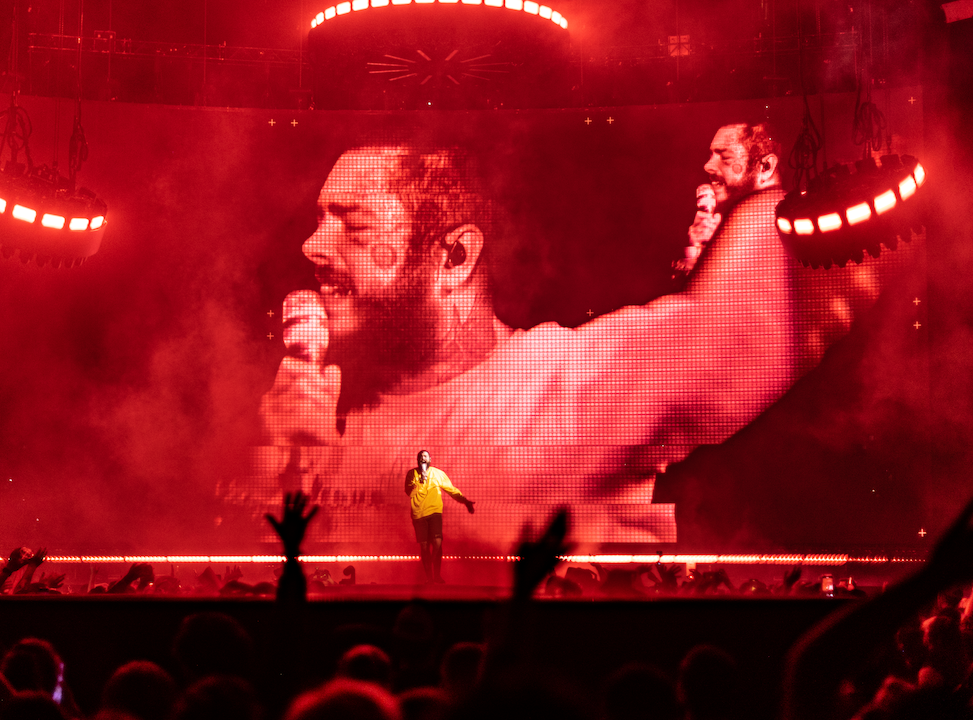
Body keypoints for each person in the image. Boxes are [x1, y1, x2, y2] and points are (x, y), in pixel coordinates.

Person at [254, 123, 852, 550]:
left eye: (351, 223)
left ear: (455, 257)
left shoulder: (568, 376)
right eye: (317, 219)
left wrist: (762, 196)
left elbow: (745, 339)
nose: (312, 246)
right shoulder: (338, 420)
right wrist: (295, 462)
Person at [405, 450, 475, 583]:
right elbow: (409, 493)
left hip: (434, 513)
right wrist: (420, 482)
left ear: (430, 459)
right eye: (420, 457)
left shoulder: (438, 474)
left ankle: (436, 573)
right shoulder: (412, 474)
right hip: (418, 515)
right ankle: (429, 577)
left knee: (437, 542)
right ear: (417, 460)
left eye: (425, 456)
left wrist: (465, 501)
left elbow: (451, 490)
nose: (422, 458)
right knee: (424, 545)